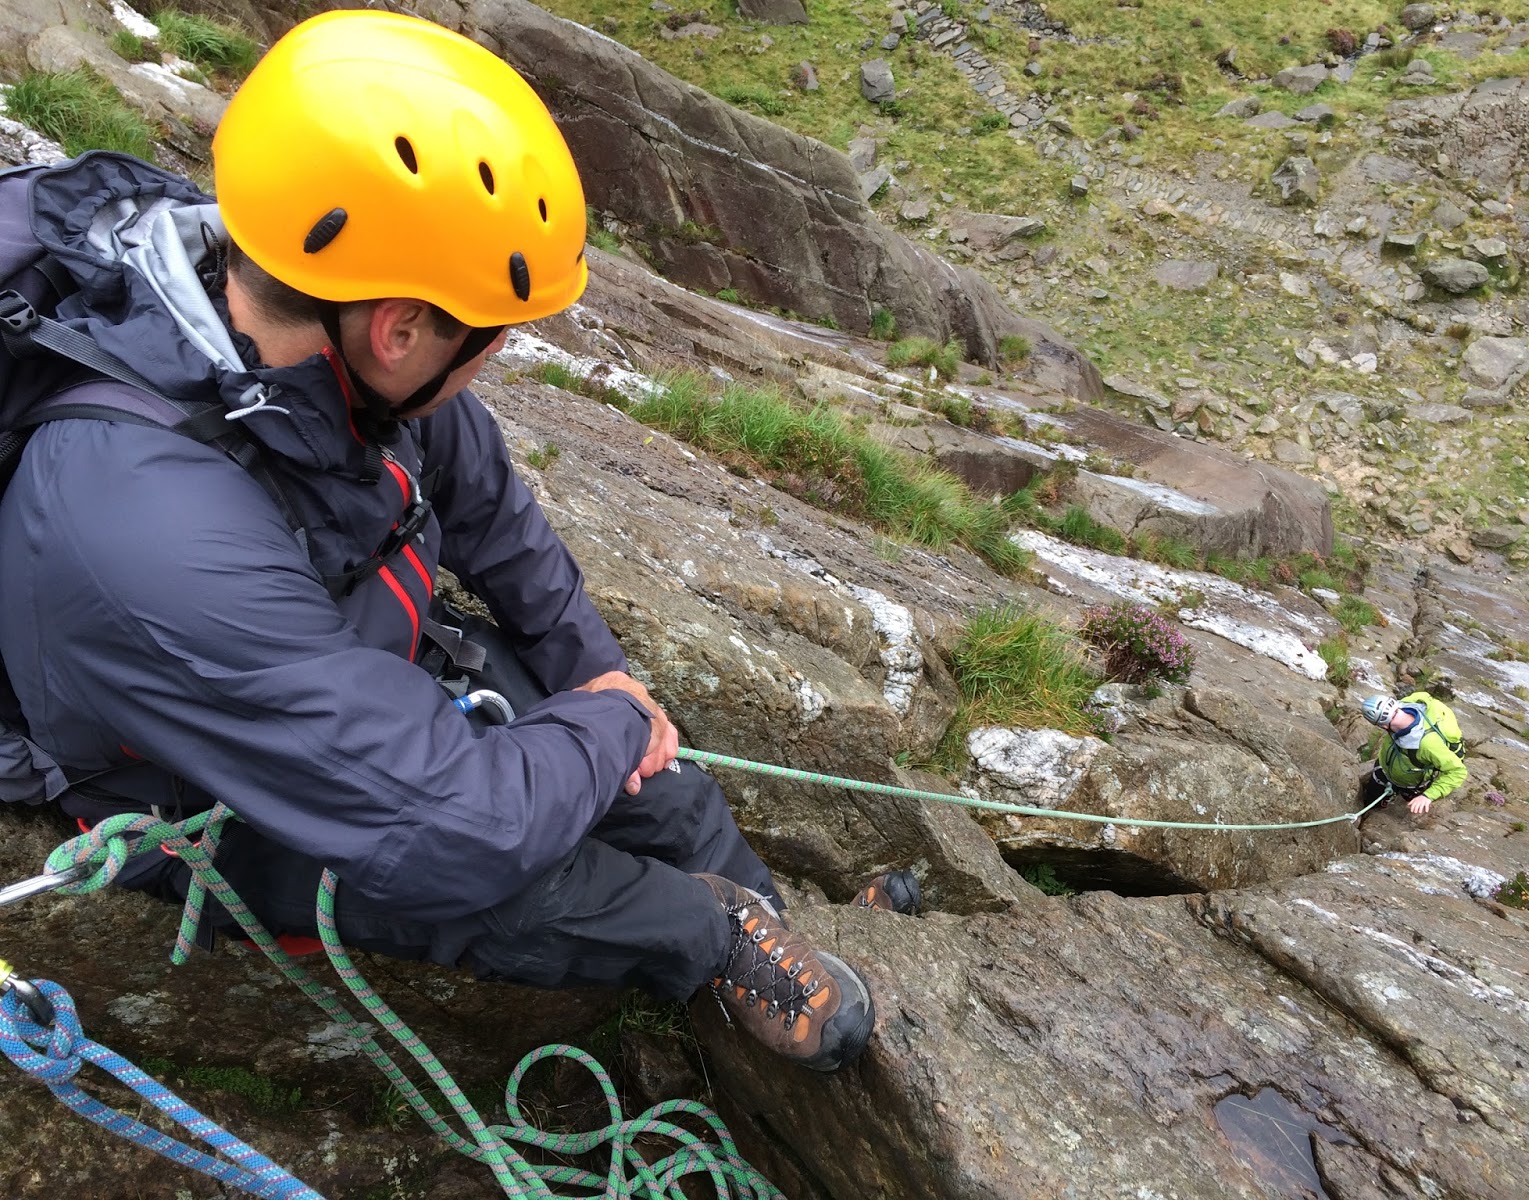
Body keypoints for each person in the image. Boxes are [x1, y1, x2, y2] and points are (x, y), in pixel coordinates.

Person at [0, 11, 916, 1072]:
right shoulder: (140, 527)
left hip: (337, 663)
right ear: (399, 329)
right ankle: (708, 938)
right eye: (489, 338)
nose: (494, 360)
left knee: (655, 778)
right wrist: (606, 727)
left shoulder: (311, 324)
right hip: (196, 790)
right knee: (522, 883)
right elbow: (449, 833)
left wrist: (605, 684)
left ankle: (761, 911)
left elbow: (482, 501)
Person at [1360, 692, 1467, 815]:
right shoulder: (1407, 703)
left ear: (1383, 726)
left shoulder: (1427, 744)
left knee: (1387, 806)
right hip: (1385, 769)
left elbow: (1458, 771)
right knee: (1372, 798)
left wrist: (1427, 796)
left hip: (1412, 783)